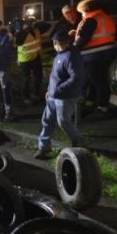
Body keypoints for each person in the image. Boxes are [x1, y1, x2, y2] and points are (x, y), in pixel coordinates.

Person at [34, 31, 85, 159]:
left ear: (56, 43)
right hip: (54, 95)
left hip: (65, 97)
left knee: (63, 122)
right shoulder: (60, 55)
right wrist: (49, 90)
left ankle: (78, 142)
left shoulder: (71, 56)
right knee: (47, 120)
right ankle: (43, 147)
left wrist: (58, 90)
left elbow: (77, 77)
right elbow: (54, 76)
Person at [74, 0, 117, 114]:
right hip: (107, 52)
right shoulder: (104, 17)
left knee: (98, 80)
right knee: (97, 78)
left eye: (81, 12)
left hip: (95, 55)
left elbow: (83, 38)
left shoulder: (91, 20)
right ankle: (91, 101)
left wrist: (73, 50)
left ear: (86, 10)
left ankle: (102, 106)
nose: (81, 14)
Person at [15, 20, 43, 105]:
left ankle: (35, 94)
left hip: (36, 57)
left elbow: (46, 26)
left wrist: (35, 25)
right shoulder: (20, 34)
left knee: (38, 77)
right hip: (25, 60)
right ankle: (26, 97)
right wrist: (25, 31)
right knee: (26, 79)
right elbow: (18, 42)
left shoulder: (36, 31)